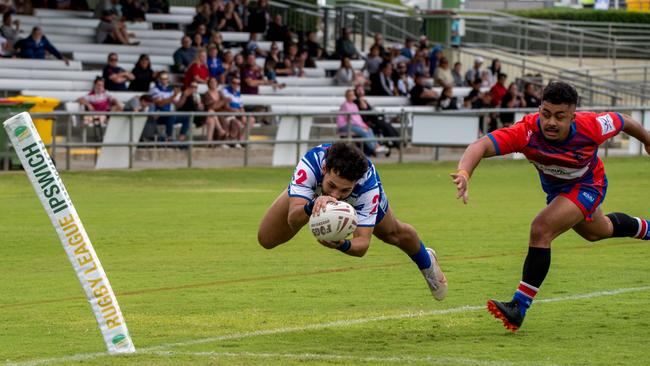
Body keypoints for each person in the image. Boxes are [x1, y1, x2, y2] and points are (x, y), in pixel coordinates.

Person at [450, 81, 650, 332]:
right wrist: (464, 172)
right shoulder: (526, 132)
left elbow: (623, 120)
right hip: (558, 191)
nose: (551, 122)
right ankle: (647, 229)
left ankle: (518, 307)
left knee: (541, 228)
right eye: (546, 114)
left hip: (589, 185)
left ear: (572, 117)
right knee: (598, 231)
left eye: (559, 116)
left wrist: (647, 139)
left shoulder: (592, 126)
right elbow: (481, 145)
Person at [257, 141, 448, 302]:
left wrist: (342, 245)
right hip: (313, 188)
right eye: (332, 185)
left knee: (393, 234)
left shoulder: (367, 187)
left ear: (355, 183)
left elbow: (362, 244)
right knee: (266, 239)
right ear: (325, 169)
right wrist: (311, 204)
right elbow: (292, 220)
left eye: (344, 190)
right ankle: (302, 191)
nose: (336, 195)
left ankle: (426, 261)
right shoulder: (311, 165)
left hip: (358, 199)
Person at [337, 89, 388, 156]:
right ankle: (374, 148)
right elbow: (350, 119)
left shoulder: (354, 105)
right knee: (364, 131)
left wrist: (364, 125)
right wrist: (362, 126)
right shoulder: (345, 105)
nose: (352, 96)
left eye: (353, 95)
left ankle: (377, 146)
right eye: (350, 95)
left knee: (369, 129)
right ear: (347, 96)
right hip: (345, 126)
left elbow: (358, 118)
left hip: (353, 125)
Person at [150, 72, 181, 141]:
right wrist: (173, 96)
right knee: (171, 115)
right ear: (159, 79)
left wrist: (184, 96)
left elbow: (178, 104)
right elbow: (160, 103)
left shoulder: (171, 89)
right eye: (162, 79)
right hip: (159, 114)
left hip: (168, 114)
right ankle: (169, 137)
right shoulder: (155, 89)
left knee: (186, 118)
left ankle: (181, 140)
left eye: (166, 79)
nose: (164, 80)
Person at [202, 77, 227, 143]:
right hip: (208, 114)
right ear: (209, 84)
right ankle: (220, 131)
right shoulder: (206, 94)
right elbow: (212, 107)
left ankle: (210, 142)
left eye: (215, 81)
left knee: (212, 118)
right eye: (211, 82)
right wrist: (222, 102)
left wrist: (223, 102)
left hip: (219, 113)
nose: (213, 83)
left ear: (217, 83)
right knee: (211, 113)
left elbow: (225, 105)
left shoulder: (220, 93)